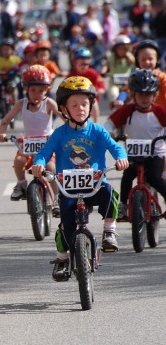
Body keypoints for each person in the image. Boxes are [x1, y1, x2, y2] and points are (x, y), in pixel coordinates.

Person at [32, 76, 128, 281]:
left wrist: (121, 159)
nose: (80, 109)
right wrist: (39, 163)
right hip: (68, 189)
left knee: (110, 193)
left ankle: (109, 231)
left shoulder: (98, 130)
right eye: (74, 105)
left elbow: (116, 147)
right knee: (65, 227)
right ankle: (61, 258)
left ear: (91, 105)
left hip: (94, 185)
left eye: (85, 104)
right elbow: (44, 153)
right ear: (64, 109)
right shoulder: (59, 134)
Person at [0, 65, 61, 209]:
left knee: (50, 167)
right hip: (28, 143)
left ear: (47, 90)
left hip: (47, 144)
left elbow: (62, 115)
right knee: (19, 161)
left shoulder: (48, 103)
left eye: (41, 91)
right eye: (33, 90)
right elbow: (6, 120)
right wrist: (2, 133)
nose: (37, 94)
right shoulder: (21, 104)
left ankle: (57, 197)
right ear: (26, 89)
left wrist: (71, 127)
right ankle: (22, 185)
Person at [104, 69, 166, 220]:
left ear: (154, 95)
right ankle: (123, 205)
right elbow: (109, 124)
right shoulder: (127, 111)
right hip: (134, 154)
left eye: (148, 94)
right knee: (127, 176)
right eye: (140, 94)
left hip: (154, 153)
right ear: (133, 95)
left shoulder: (159, 111)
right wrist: (110, 133)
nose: (145, 98)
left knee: (155, 178)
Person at [67, 47, 105, 122]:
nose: (83, 67)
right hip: (76, 98)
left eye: (86, 64)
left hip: (90, 98)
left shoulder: (93, 73)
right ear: (75, 63)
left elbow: (101, 84)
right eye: (81, 64)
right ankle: (70, 122)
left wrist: (100, 90)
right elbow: (65, 87)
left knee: (94, 103)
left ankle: (95, 123)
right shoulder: (71, 76)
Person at [105, 35, 134, 104]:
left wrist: (128, 56)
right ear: (115, 49)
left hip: (126, 83)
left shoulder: (129, 57)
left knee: (130, 98)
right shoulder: (112, 57)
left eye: (124, 49)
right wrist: (103, 72)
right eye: (120, 49)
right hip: (114, 82)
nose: (122, 51)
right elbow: (106, 65)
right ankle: (113, 108)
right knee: (114, 95)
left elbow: (133, 62)